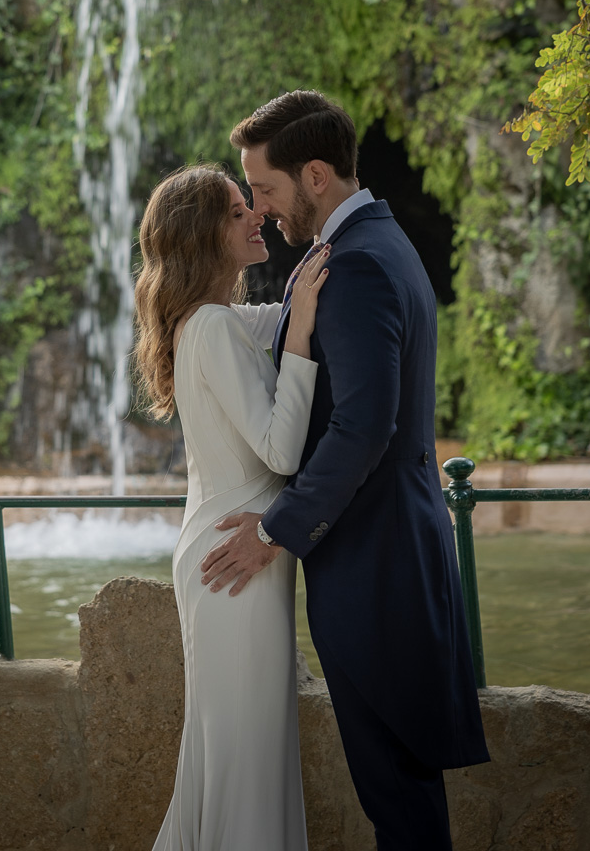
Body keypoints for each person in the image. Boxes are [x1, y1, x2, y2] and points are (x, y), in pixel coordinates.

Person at [200, 90, 489, 849]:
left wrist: (275, 530)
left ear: (316, 174)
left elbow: (364, 426)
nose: (260, 208)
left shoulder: (356, 266)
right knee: (399, 798)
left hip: (377, 567)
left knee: (397, 798)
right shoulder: (370, 247)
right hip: (387, 557)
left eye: (264, 188)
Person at [135, 163, 331, 851]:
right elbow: (280, 452)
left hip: (227, 552)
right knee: (246, 757)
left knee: (236, 754)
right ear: (201, 236)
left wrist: (315, 287)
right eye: (233, 211)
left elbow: (276, 319)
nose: (254, 215)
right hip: (236, 563)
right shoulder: (212, 327)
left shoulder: (209, 321)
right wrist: (303, 330)